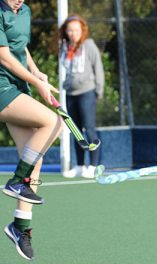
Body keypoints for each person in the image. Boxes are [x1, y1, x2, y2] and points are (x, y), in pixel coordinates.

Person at [0, 0, 64, 260]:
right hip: (2, 86)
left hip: (17, 86)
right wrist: (36, 84)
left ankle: (20, 227)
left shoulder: (23, 11)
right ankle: (17, 181)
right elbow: (3, 55)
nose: (21, 0)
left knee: (33, 157)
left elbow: (19, 47)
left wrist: (38, 73)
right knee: (53, 122)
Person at [59, 13, 104, 179]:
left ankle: (93, 166)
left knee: (89, 130)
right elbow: (68, 70)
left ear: (82, 30)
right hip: (71, 94)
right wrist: (65, 84)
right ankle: (79, 166)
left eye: (76, 30)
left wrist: (98, 90)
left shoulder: (89, 45)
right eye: (70, 30)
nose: (73, 33)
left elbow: (97, 68)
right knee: (76, 131)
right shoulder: (64, 47)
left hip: (87, 93)